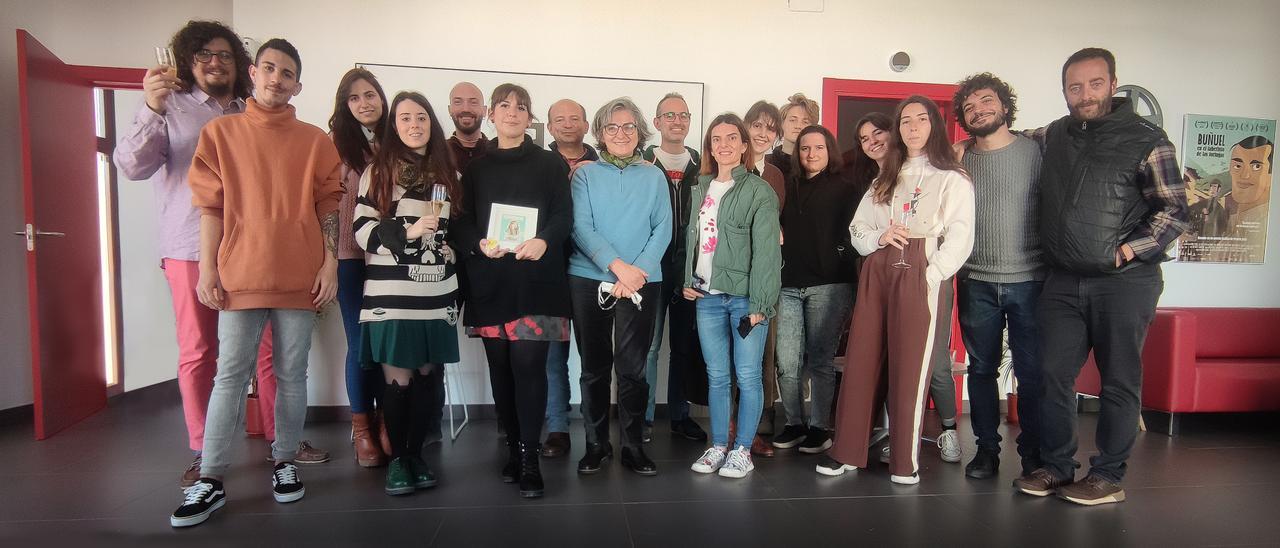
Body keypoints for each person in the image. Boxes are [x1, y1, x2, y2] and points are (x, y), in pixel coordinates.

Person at [114, 20, 324, 490]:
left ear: (242, 67)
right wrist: (150, 106)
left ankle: (281, 444)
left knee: (274, 354)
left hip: (262, 251)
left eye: (225, 55)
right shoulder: (171, 104)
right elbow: (130, 165)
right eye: (205, 54)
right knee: (201, 352)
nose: (215, 62)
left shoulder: (255, 112)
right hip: (192, 245)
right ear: (189, 60)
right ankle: (202, 450)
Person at [171, 38, 344, 527]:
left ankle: (285, 461)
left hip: (300, 276)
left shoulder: (316, 141)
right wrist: (208, 269)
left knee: (292, 374)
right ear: (252, 72)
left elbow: (330, 205)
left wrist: (330, 264)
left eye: (286, 73)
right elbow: (210, 208)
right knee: (231, 374)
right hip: (239, 275)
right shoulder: (221, 134)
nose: (276, 79)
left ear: (297, 85)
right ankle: (211, 476)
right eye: (269, 68)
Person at [1015, 48, 1188, 506]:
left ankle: (1108, 475)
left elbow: (1174, 211)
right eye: (1075, 86)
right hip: (1062, 280)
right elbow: (1010, 141)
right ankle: (1055, 466)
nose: (1084, 94)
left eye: (1094, 84)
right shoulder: (1054, 134)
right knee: (1051, 376)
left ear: (1113, 84)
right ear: (1065, 91)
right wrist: (964, 144)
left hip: (1125, 282)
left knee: (1118, 380)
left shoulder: (1149, 139)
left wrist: (1129, 250)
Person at [818, 95, 974, 485]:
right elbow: (857, 230)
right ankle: (848, 451)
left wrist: (932, 273)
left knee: (911, 365)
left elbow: (961, 234)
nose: (913, 126)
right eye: (906, 121)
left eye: (922, 119)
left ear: (934, 125)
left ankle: (905, 461)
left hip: (921, 269)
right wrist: (879, 237)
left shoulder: (952, 177)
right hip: (880, 266)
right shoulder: (886, 176)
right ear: (899, 129)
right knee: (862, 359)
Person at [451, 83, 572, 499]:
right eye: (505, 106)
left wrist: (545, 241)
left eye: (521, 107)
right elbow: (461, 222)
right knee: (500, 372)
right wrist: (477, 243)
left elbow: (563, 215)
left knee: (529, 368)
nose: (512, 113)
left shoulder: (550, 163)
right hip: (490, 281)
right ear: (491, 114)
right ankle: (512, 446)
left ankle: (530, 456)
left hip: (538, 282)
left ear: (529, 117)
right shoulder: (476, 169)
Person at [353, 91, 460, 496]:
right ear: (394, 127)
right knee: (399, 380)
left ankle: (417, 455)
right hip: (392, 294)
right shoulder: (377, 172)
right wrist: (407, 231)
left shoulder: (448, 174)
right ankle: (398, 459)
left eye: (421, 117)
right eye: (405, 118)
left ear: (432, 123)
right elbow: (362, 231)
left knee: (429, 379)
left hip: (437, 293)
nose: (414, 124)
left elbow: (454, 231)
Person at [570, 97, 672, 476]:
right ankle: (596, 444)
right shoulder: (584, 175)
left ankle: (632, 445)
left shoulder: (654, 175)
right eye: (612, 127)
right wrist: (617, 269)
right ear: (599, 134)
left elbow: (664, 228)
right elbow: (581, 227)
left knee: (633, 369)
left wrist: (637, 272)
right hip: (589, 277)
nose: (621, 133)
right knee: (593, 368)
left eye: (629, 126)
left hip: (643, 281)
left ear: (640, 131)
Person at [951, 72, 1045, 480]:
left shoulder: (1038, 149)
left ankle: (1033, 454)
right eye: (969, 107)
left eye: (986, 101)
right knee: (982, 369)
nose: (978, 110)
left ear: (1004, 106)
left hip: (1031, 278)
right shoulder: (958, 157)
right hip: (976, 280)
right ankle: (987, 450)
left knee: (1031, 372)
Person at [684, 113, 781, 479]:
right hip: (707, 297)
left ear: (744, 145)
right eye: (716, 139)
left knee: (748, 375)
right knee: (718, 376)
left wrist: (760, 305)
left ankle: (743, 449)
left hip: (744, 299)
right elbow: (693, 241)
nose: (723, 145)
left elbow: (768, 254)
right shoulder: (702, 187)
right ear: (710, 146)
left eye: (731, 138)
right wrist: (686, 279)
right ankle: (719, 445)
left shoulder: (759, 191)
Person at [772, 125, 858, 455]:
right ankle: (794, 422)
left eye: (818, 148)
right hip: (788, 284)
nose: (811, 154)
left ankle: (820, 428)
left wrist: (837, 255)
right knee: (788, 361)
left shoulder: (845, 188)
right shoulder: (787, 185)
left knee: (820, 360)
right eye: (805, 148)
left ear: (829, 151)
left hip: (830, 286)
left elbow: (855, 233)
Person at [328, 67, 391, 468]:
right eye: (355, 98)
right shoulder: (333, 145)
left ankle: (386, 423)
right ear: (345, 105)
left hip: (389, 258)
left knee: (386, 344)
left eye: (370, 95)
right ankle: (363, 430)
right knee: (359, 344)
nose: (364, 103)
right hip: (350, 258)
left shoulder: (398, 139)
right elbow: (326, 207)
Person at [640, 92, 708, 445]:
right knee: (649, 348)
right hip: (650, 268)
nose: (677, 121)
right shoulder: (641, 163)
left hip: (690, 271)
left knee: (683, 346)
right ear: (656, 122)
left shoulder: (704, 165)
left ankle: (680, 416)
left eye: (683, 115)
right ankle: (645, 418)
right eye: (669, 115)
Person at [541, 98, 598, 458]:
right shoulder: (539, 164)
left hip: (594, 270)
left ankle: (596, 428)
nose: (567, 124)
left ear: (587, 124)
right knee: (552, 355)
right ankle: (558, 428)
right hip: (547, 273)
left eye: (574, 118)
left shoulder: (605, 161)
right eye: (559, 120)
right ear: (549, 127)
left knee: (595, 356)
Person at [743, 100, 787, 457]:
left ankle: (756, 428)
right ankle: (730, 428)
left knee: (762, 353)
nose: (762, 133)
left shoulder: (774, 175)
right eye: (756, 125)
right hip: (729, 277)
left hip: (765, 277)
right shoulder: (728, 165)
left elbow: (777, 226)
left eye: (769, 128)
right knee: (730, 355)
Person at [1224, 136, 1272, 262]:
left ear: (1271, 174)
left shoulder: (1268, 224)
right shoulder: (1233, 215)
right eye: (1238, 165)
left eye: (1256, 166)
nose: (1244, 175)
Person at [767, 93, 819, 180]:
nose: (798, 126)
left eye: (805, 122)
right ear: (782, 123)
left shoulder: (817, 166)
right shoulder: (765, 164)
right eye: (793, 120)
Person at [446, 81, 489, 174]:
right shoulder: (438, 154)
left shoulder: (496, 152)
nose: (466, 109)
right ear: (449, 110)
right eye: (458, 102)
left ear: (484, 110)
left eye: (473, 102)